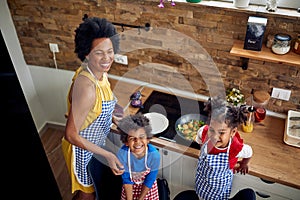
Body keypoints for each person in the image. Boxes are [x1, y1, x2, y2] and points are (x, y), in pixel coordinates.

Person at [61, 15, 124, 200]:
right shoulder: (87, 87)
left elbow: (96, 109)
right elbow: (70, 135)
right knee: (87, 194)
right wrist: (108, 155)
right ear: (87, 53)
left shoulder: (100, 73)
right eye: (99, 52)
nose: (107, 58)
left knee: (94, 187)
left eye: (110, 51)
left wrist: (113, 118)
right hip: (80, 148)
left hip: (95, 144)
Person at [195, 97, 253, 200]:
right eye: (212, 130)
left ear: (233, 132)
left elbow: (249, 152)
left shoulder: (235, 147)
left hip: (219, 189)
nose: (215, 136)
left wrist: (244, 164)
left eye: (221, 132)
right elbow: (200, 141)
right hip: (202, 182)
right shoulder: (203, 131)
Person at [116, 113, 161, 200]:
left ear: (147, 139)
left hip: (147, 189)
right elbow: (126, 180)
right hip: (129, 188)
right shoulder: (123, 154)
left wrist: (140, 199)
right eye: (132, 138)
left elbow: (150, 180)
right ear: (126, 142)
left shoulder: (154, 155)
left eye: (141, 137)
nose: (137, 142)